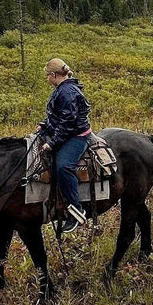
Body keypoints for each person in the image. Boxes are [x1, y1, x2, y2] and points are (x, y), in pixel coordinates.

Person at [36, 58, 92, 235]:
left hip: (77, 136)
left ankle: (77, 210)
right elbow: (60, 115)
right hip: (68, 132)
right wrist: (45, 124)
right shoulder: (63, 89)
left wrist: (52, 143)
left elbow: (68, 122)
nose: (47, 79)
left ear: (53, 75)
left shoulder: (66, 91)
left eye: (47, 76)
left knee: (63, 167)